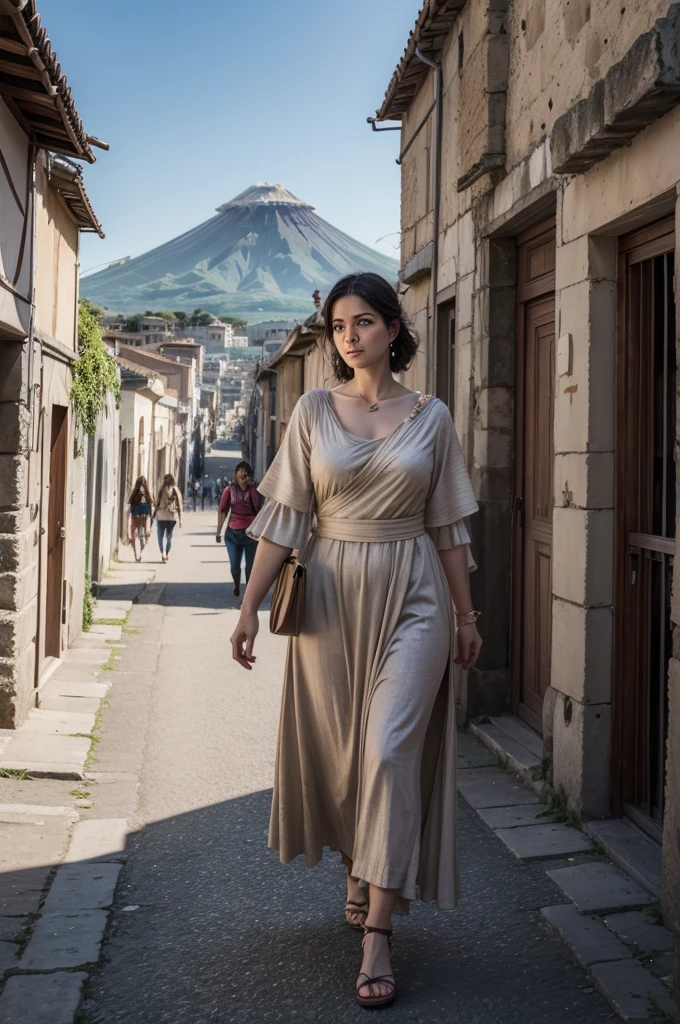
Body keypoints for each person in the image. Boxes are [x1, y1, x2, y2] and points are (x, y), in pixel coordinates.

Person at [229, 272, 482, 1010]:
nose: (349, 335)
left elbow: (448, 529)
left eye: (364, 321)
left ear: (394, 329)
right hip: (331, 599)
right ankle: (357, 862)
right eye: (339, 324)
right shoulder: (310, 409)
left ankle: (379, 931)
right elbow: (283, 522)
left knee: (389, 748)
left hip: (415, 596)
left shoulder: (432, 417)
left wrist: (466, 618)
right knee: (342, 757)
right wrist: (248, 609)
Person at [216, 461, 264, 596]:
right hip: (233, 534)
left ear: (250, 477)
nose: (243, 480)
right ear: (236, 475)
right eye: (240, 476)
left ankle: (248, 593)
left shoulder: (256, 490)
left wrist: (253, 490)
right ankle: (236, 584)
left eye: (245, 476)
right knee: (235, 567)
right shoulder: (229, 490)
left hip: (251, 535)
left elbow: (260, 508)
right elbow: (222, 510)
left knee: (250, 568)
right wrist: (218, 532)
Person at [154, 473, 183, 563]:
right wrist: (180, 519)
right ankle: (166, 554)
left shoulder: (161, 489)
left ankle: (163, 553)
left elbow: (157, 503)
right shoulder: (176, 490)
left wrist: (153, 514)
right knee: (169, 537)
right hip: (171, 517)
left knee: (160, 537)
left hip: (161, 516)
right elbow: (180, 505)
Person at [127, 476, 154, 562]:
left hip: (136, 517)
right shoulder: (146, 492)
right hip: (143, 517)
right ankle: (140, 552)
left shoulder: (135, 492)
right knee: (143, 536)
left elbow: (130, 502)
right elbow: (152, 502)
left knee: (136, 535)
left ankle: (137, 555)